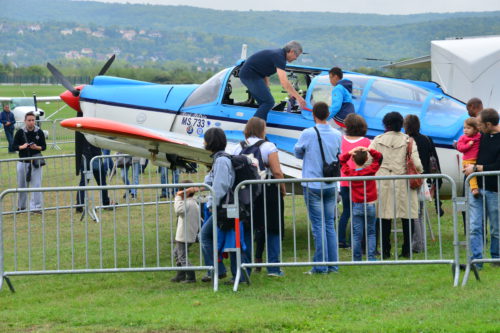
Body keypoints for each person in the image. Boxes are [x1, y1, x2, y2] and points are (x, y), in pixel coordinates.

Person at [232, 117, 286, 277]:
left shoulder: (236, 148)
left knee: (248, 228)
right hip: (268, 190)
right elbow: (277, 171)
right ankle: (274, 268)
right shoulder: (268, 146)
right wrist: (282, 188)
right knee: (273, 228)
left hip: (246, 193)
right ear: (262, 130)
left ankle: (246, 266)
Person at [294, 101, 342, 274]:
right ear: (328, 114)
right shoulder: (337, 134)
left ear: (314, 115)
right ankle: (333, 265)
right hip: (330, 184)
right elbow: (339, 154)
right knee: (329, 224)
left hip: (313, 183)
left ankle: (320, 265)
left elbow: (297, 152)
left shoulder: (308, 133)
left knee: (318, 226)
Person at [369, 112, 423, 259]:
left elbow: (368, 160)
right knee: (407, 216)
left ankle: (385, 250)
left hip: (383, 181)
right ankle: (406, 250)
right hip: (403, 181)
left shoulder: (377, 140)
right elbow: (417, 164)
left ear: (386, 124)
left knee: (384, 216)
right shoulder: (408, 141)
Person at [464, 108, 500, 268]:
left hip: (494, 189)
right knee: (475, 226)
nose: (477, 127)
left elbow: (498, 165)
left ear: (488, 124)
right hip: (477, 187)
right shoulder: (481, 136)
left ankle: (496, 259)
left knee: (496, 228)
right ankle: (476, 261)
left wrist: (477, 168)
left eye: (480, 124)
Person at [239, 40, 306, 121]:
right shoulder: (279, 57)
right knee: (269, 102)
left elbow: (265, 72)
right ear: (291, 51)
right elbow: (284, 82)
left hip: (253, 75)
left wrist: (267, 88)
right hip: (249, 75)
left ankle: (260, 128)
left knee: (264, 103)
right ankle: (253, 130)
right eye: (297, 56)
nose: (296, 58)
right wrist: (298, 97)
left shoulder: (279, 55)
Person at [200, 127, 234, 282]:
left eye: (205, 139)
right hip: (222, 206)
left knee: (204, 236)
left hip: (221, 207)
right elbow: (211, 181)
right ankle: (215, 270)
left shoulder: (221, 161)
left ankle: (216, 270)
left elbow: (220, 186)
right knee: (211, 237)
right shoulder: (220, 159)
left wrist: (212, 204)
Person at [339, 146, 382, 261]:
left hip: (357, 205)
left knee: (357, 234)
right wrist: (369, 150)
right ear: (367, 158)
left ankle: (356, 258)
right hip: (370, 204)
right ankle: (371, 257)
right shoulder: (371, 170)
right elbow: (379, 157)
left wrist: (349, 152)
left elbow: (341, 160)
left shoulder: (350, 173)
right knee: (371, 232)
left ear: (352, 160)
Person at [338, 113, 371, 248]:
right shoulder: (366, 142)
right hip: (360, 182)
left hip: (345, 180)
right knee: (358, 212)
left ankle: (341, 239)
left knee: (346, 211)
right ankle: (354, 240)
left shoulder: (341, 140)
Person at [12, 111, 46, 212]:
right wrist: (21, 147)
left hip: (36, 162)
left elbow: (44, 147)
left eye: (33, 120)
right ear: (25, 121)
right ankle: (21, 207)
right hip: (23, 162)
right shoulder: (20, 132)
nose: (31, 122)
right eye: (29, 120)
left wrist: (36, 147)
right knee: (22, 184)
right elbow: (13, 146)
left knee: (36, 184)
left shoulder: (39, 132)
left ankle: (36, 207)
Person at [75, 131, 114, 212]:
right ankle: (105, 203)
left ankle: (79, 205)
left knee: (85, 183)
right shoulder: (91, 132)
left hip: (88, 159)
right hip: (93, 159)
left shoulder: (81, 131)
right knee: (101, 183)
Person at [171, 180, 201, 283]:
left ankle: (191, 276)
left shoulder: (187, 203)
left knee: (182, 256)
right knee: (177, 253)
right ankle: (180, 275)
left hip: (184, 235)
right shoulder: (192, 203)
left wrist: (178, 197)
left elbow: (178, 210)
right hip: (187, 234)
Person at [457, 118, 482, 198]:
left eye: (468, 128)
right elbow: (460, 148)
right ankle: (474, 189)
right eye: (464, 128)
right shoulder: (463, 138)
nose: (465, 130)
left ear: (475, 129)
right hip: (468, 160)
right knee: (471, 176)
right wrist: (468, 145)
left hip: (477, 160)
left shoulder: (479, 136)